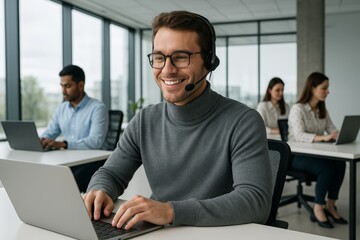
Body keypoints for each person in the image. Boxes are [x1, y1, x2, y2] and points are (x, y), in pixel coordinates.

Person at [83, 11, 272, 230]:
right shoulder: (145, 120)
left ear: (209, 62)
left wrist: (171, 211)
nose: (167, 69)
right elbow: (111, 173)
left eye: (181, 57)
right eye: (159, 57)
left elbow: (255, 201)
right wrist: (100, 190)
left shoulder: (243, 121)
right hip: (158, 232)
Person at [288, 72, 347, 228]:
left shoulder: (322, 110)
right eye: (324, 88)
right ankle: (318, 207)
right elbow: (299, 135)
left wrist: (338, 134)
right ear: (313, 88)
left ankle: (331, 205)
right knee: (326, 169)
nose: (328, 91)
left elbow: (332, 129)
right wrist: (324, 138)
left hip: (314, 154)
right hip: (296, 156)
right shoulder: (297, 109)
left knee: (340, 164)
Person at [40, 64, 109, 192]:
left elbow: (96, 141)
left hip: (93, 162)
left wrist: (63, 144)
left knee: (68, 183)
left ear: (81, 85)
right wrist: (42, 140)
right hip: (69, 160)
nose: (63, 91)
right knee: (44, 175)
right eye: (62, 86)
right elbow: (50, 132)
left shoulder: (97, 108)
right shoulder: (62, 109)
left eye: (68, 86)